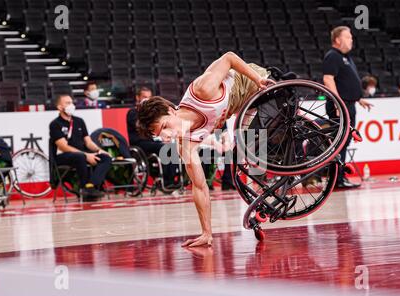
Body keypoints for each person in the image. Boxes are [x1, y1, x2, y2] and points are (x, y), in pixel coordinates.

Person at [137, 52, 275, 247]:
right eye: (161, 135)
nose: (167, 136)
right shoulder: (185, 145)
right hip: (242, 107)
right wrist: (206, 233)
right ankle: (264, 203)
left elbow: (228, 58)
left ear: (170, 111)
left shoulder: (202, 90)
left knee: (256, 142)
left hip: (252, 83)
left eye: (165, 126)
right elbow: (200, 187)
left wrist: (258, 79)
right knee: (248, 157)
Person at [323, 26, 373, 189]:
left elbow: (346, 82)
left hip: (348, 104)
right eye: (348, 37)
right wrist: (338, 102)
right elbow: (328, 79)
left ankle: (339, 176)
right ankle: (337, 179)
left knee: (345, 141)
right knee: (340, 142)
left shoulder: (345, 57)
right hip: (340, 106)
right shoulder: (333, 56)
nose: (351, 39)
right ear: (337, 40)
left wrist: (358, 98)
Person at [50, 95, 112, 201]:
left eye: (71, 102)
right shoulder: (55, 124)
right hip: (64, 156)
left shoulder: (79, 121)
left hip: (83, 154)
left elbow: (88, 142)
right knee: (80, 156)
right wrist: (86, 155)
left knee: (106, 158)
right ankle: (83, 187)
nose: (71, 105)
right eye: (67, 103)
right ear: (60, 107)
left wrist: (98, 150)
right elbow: (63, 147)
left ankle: (90, 186)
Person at [126, 87, 179, 188]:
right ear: (137, 97)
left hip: (153, 142)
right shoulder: (133, 113)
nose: (147, 99)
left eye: (149, 97)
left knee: (172, 147)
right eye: (144, 97)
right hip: (140, 143)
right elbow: (143, 128)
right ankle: (166, 181)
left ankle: (172, 179)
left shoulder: (152, 114)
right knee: (163, 148)